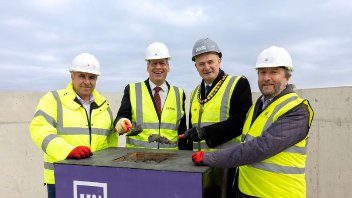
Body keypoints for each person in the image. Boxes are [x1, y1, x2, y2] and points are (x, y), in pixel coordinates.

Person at [192, 46, 314, 198]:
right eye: (262, 72)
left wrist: (209, 157)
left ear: (287, 77)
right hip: (246, 190)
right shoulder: (256, 107)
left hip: (278, 193)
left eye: (274, 72)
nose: (266, 78)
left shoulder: (297, 110)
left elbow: (261, 147)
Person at [29, 53, 118, 198]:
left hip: (97, 178)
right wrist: (67, 151)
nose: (87, 81)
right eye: (82, 76)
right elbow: (40, 130)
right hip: (62, 177)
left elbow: (108, 142)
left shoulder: (104, 105)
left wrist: (116, 129)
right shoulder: (53, 100)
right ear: (72, 76)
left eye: (92, 77)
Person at [180, 37, 252, 197]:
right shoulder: (194, 94)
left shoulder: (238, 83)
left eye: (210, 62)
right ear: (196, 66)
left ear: (219, 60)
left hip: (228, 166)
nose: (207, 67)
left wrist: (205, 133)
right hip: (200, 165)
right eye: (201, 64)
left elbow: (240, 122)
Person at [115, 42, 188, 150]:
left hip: (170, 160)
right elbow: (121, 117)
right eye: (154, 63)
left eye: (162, 63)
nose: (158, 67)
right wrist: (120, 124)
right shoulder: (132, 90)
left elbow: (182, 131)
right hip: (138, 159)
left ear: (168, 66)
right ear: (147, 67)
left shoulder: (179, 93)